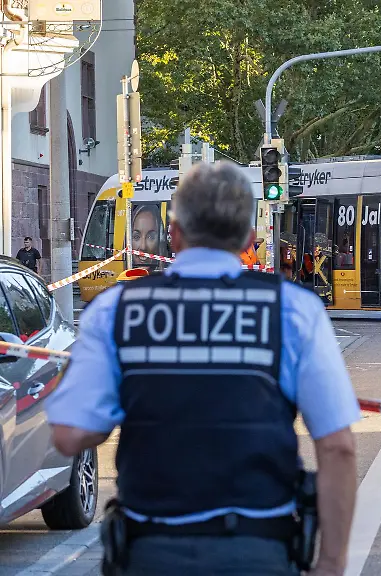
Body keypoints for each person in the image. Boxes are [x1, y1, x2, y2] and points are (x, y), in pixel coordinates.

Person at [44, 161, 361, 576]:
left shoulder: (117, 311)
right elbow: (338, 448)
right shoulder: (293, 310)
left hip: (152, 554)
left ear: (173, 234)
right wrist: (331, 566)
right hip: (259, 551)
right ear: (249, 237)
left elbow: (70, 434)